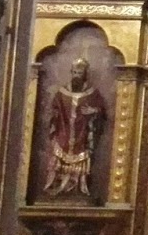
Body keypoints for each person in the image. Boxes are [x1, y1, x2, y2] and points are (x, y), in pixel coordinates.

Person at [43, 57, 108, 198]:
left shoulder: (92, 93)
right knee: (58, 160)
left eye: (79, 73)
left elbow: (102, 111)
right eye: (74, 72)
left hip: (82, 134)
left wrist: (94, 111)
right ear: (71, 72)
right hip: (63, 133)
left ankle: (78, 188)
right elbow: (54, 110)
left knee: (81, 162)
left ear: (85, 74)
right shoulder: (61, 93)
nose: (76, 76)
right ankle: (58, 188)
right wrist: (55, 116)